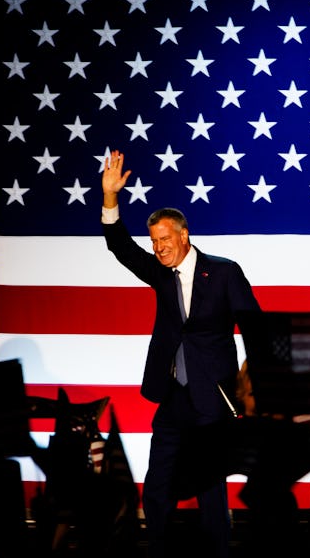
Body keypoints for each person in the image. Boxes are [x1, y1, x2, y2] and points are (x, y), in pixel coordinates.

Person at [100, 149, 261, 558]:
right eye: (155, 242)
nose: (158, 248)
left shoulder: (224, 272)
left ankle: (218, 554)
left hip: (214, 397)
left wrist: (254, 385)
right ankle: (158, 549)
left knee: (210, 486)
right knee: (158, 482)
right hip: (173, 396)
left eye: (165, 240)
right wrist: (110, 198)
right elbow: (121, 247)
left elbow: (255, 327)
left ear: (184, 236)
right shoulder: (159, 272)